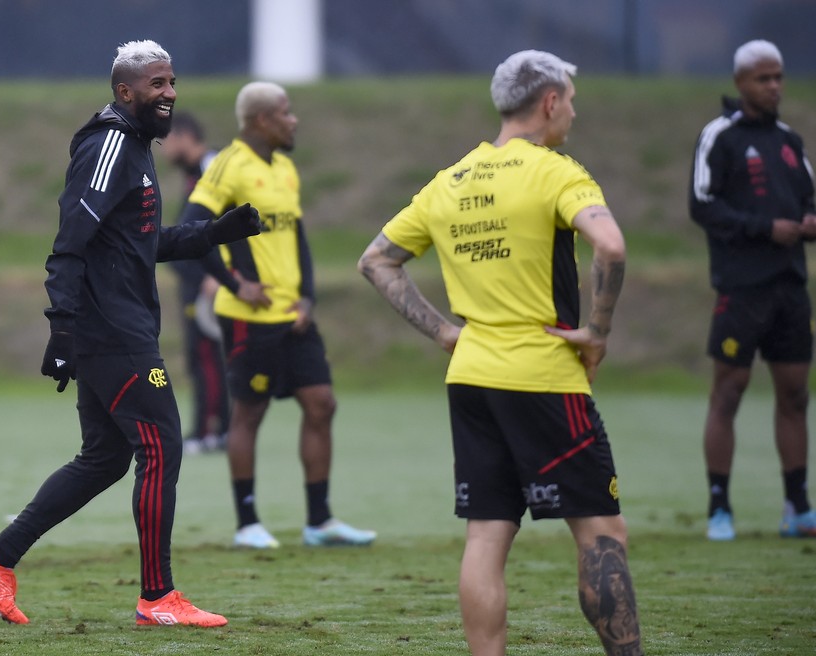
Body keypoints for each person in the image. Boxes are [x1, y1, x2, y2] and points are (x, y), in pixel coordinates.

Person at [0, 39, 261, 627]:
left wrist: (213, 233)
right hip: (114, 334)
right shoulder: (111, 145)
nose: (170, 93)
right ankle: (157, 597)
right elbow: (69, 243)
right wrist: (62, 329)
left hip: (115, 330)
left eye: (172, 82)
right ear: (125, 91)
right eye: (157, 84)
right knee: (162, 445)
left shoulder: (136, 146)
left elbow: (138, 243)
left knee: (104, 459)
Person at [358, 50, 644, 656]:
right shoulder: (556, 172)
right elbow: (611, 247)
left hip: (471, 379)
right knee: (602, 533)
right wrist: (597, 331)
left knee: (486, 537)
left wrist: (445, 334)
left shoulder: (450, 180)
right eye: (571, 100)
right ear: (550, 102)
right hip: (544, 375)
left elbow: (376, 260)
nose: (573, 111)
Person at [179, 81, 376, 549]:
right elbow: (190, 227)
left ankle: (319, 521)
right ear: (263, 120)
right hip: (248, 317)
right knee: (249, 412)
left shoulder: (285, 168)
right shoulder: (228, 165)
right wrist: (236, 285)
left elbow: (298, 237)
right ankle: (248, 524)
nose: (294, 120)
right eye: (286, 113)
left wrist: (307, 297)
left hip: (294, 315)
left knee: (322, 403)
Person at [689, 39, 816, 541]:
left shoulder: (789, 141)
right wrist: (765, 229)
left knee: (796, 394)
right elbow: (702, 204)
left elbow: (810, 198)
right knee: (729, 392)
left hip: (790, 288)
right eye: (764, 78)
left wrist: (809, 221)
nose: (774, 86)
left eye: (778, 77)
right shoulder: (719, 136)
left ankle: (797, 507)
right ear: (741, 82)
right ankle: (719, 507)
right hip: (741, 288)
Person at [161, 112, 231, 455]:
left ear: (185, 136)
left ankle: (211, 431)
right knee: (199, 356)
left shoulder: (212, 166)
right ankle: (214, 429)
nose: (163, 149)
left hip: (209, 284)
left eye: (166, 140)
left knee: (207, 356)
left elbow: (232, 220)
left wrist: (219, 273)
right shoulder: (195, 172)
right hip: (195, 281)